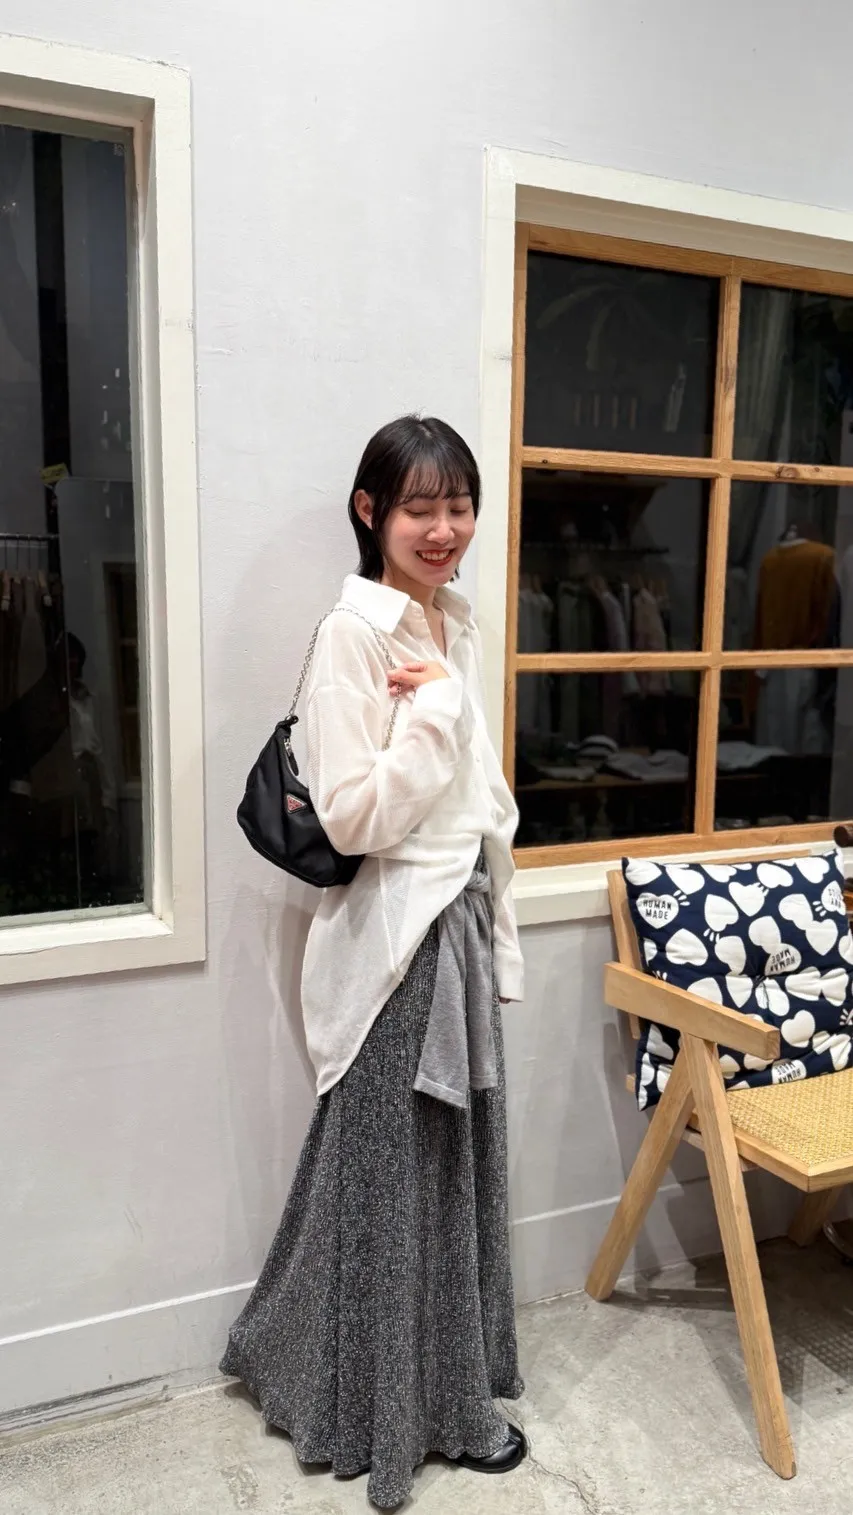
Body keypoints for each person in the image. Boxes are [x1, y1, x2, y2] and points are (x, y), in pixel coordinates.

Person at [221, 415, 527, 1509]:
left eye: (459, 506)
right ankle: (394, 1415)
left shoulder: (450, 618)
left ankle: (429, 1388)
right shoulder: (355, 636)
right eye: (418, 508)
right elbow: (351, 819)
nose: (443, 529)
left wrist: (495, 914)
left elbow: (473, 795)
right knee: (397, 1187)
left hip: (452, 929)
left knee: (438, 1179)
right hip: (399, 952)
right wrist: (435, 712)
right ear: (371, 512)